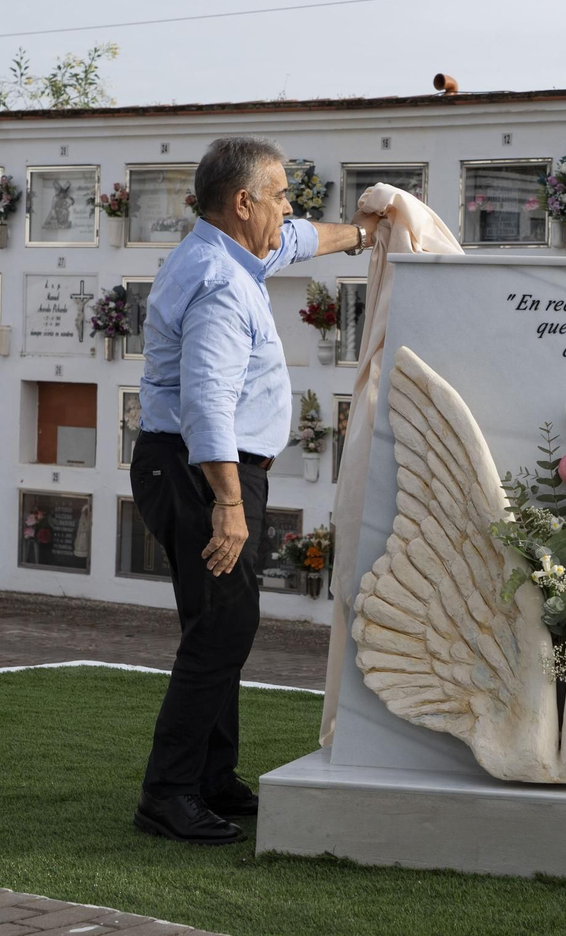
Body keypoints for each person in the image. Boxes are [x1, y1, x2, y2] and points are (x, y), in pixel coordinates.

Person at [131, 136, 380, 845]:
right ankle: (168, 792)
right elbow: (207, 401)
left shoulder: (233, 251)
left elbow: (299, 240)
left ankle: (210, 778)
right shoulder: (216, 280)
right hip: (204, 472)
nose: (288, 208)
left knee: (219, 625)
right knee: (224, 628)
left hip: (197, 467)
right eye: (278, 195)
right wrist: (230, 505)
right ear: (243, 204)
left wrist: (367, 232)